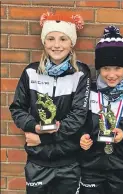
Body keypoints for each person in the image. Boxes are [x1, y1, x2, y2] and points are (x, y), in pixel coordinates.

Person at [9, 11, 91, 194]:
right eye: (51, 38)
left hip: (69, 162)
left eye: (63, 39)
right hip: (37, 162)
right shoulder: (30, 72)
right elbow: (17, 109)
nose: (56, 45)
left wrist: (42, 137)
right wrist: (33, 126)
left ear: (72, 43)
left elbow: (78, 117)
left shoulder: (81, 74)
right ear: (44, 42)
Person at [79, 25, 123, 194]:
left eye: (117, 68)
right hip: (90, 168)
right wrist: (81, 138)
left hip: (121, 169)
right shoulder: (88, 92)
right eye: (105, 68)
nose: (111, 74)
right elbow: (77, 121)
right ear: (99, 68)